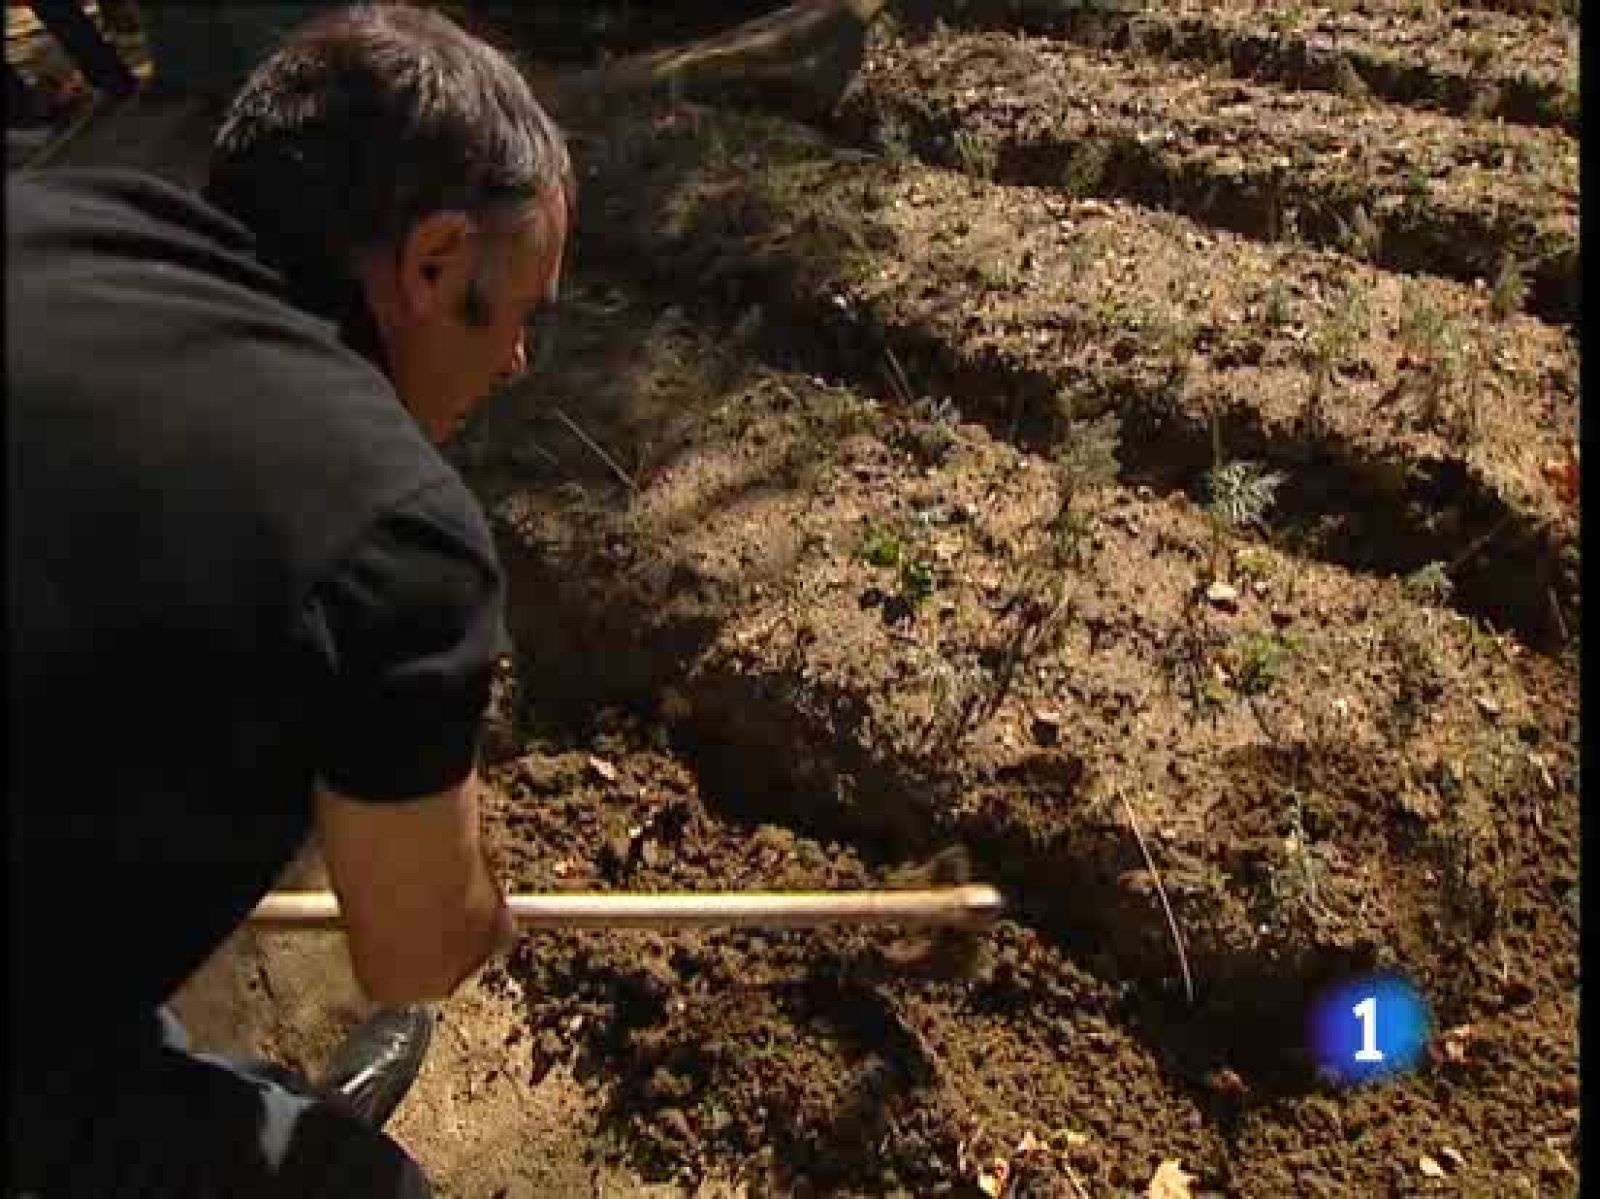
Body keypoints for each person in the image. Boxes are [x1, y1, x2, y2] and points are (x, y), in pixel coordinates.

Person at [6, 5, 573, 1195]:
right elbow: (412, 952)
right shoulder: (392, 532)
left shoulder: (47, 215)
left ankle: (223, 1100)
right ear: (432, 263)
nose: (518, 359)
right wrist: (472, 908)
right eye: (524, 310)